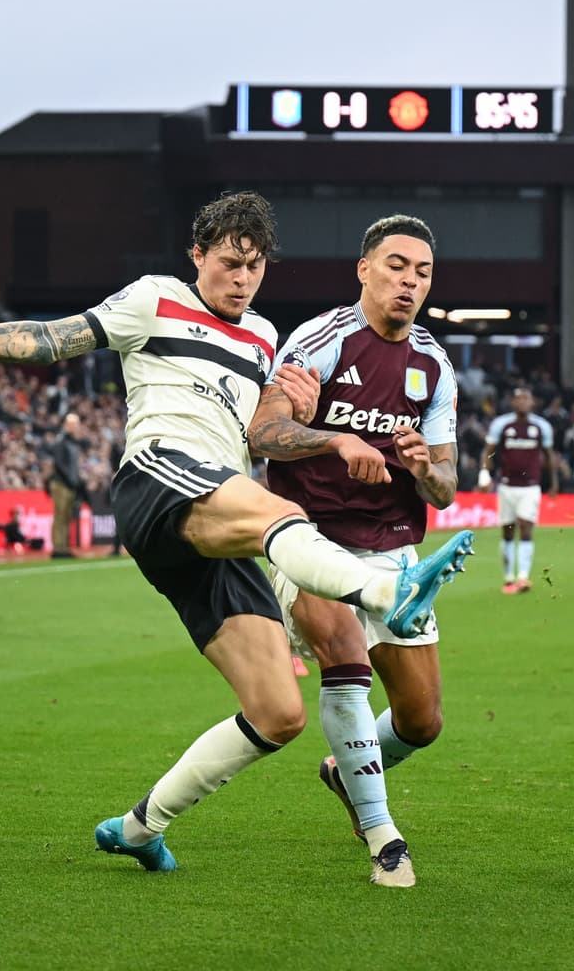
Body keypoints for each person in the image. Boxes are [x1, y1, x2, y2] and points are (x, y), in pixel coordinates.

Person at [0, 190, 473, 875]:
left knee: (278, 712)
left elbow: (262, 432)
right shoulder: (155, 299)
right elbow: (52, 340)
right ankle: (386, 592)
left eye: (255, 267)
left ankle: (141, 827)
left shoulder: (265, 338)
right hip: (160, 479)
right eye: (230, 262)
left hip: (216, 519)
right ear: (197, 256)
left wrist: (303, 414)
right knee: (284, 516)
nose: (242, 278)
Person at [250, 214, 461, 887]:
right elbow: (263, 434)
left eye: (422, 273)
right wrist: (336, 439)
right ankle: (383, 835)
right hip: (307, 538)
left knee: (422, 722)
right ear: (364, 269)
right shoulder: (320, 340)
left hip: (393, 553)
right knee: (344, 658)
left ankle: (346, 772)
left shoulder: (433, 365)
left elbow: (447, 489)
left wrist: (424, 468)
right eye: (396, 266)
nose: (409, 282)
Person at [481, 386, 557, 594]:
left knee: (526, 528)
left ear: (532, 402)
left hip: (530, 487)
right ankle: (508, 579)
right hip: (506, 486)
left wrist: (553, 482)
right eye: (519, 399)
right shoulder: (501, 424)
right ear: (513, 403)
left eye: (526, 398)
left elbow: (549, 455)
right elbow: (489, 451)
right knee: (507, 532)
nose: (523, 402)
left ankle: (523, 577)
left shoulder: (542, 426)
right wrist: (484, 474)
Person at [47, 412, 88, 555]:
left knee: (66, 516)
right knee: (60, 515)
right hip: (61, 483)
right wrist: (71, 480)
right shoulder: (61, 440)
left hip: (70, 484)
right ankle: (58, 548)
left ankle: (64, 546)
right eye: (74, 424)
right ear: (67, 425)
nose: (77, 427)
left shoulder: (72, 442)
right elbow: (59, 463)